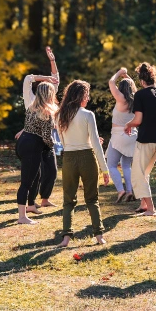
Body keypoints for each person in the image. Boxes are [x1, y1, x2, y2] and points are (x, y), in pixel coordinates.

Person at [56, 80, 110, 247]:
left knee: (68, 200)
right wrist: (105, 169)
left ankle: (66, 237)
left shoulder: (59, 115)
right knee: (92, 199)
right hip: (87, 158)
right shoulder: (87, 115)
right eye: (87, 95)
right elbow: (94, 143)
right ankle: (99, 235)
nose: (88, 98)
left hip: (69, 159)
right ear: (81, 96)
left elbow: (64, 142)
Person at [13, 47, 60, 225]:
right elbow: (47, 136)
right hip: (33, 145)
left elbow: (30, 127)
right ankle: (23, 216)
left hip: (23, 143)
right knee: (27, 181)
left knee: (31, 178)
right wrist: (51, 145)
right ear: (49, 94)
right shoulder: (46, 110)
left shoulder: (32, 107)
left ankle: (30, 207)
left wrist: (52, 62)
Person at [124, 62, 156, 217]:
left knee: (138, 174)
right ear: (154, 79)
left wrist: (128, 124)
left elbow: (138, 119)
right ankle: (144, 204)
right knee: (145, 172)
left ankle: (151, 209)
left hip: (145, 140)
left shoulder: (140, 95)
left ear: (141, 81)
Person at [106, 68, 137, 203]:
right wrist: (127, 76)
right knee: (126, 166)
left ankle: (121, 190)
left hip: (118, 135)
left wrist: (119, 72)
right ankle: (129, 190)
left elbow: (111, 82)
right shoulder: (136, 99)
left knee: (111, 165)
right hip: (132, 135)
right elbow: (134, 87)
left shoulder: (120, 98)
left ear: (121, 88)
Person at [38, 47, 61, 208]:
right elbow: (28, 79)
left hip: (49, 141)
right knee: (37, 172)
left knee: (51, 171)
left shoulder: (52, 103)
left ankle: (45, 199)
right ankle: (30, 201)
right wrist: (44, 77)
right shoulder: (31, 99)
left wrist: (52, 60)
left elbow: (55, 78)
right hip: (34, 140)